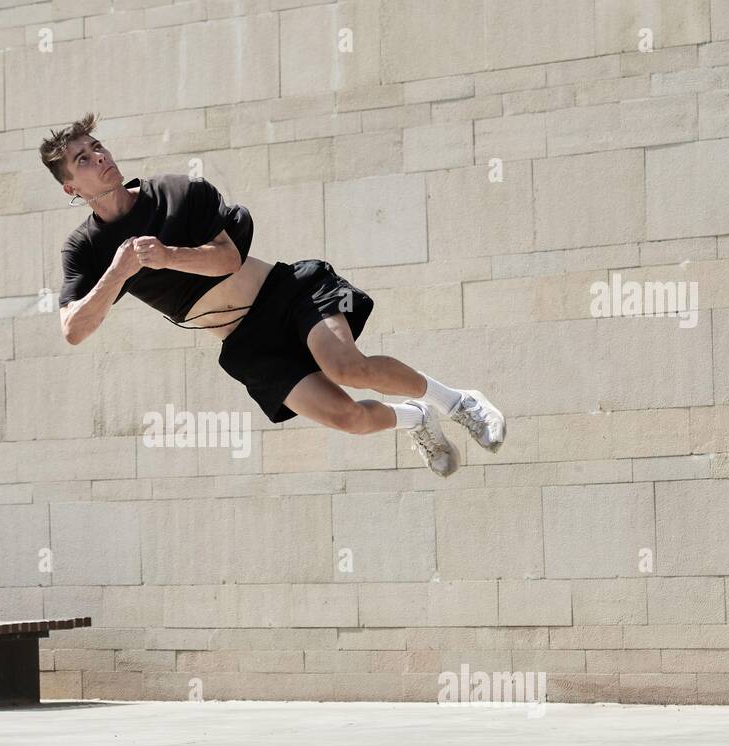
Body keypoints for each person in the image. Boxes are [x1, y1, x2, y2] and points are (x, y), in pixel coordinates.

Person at [39, 112, 505, 476]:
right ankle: (417, 419)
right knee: (346, 418)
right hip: (245, 344)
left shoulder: (176, 191)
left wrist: (166, 256)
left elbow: (227, 259)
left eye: (97, 147)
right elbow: (74, 330)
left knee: (346, 366)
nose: (99, 157)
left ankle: (459, 402)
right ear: (70, 188)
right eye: (83, 159)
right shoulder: (85, 247)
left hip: (285, 295)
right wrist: (119, 272)